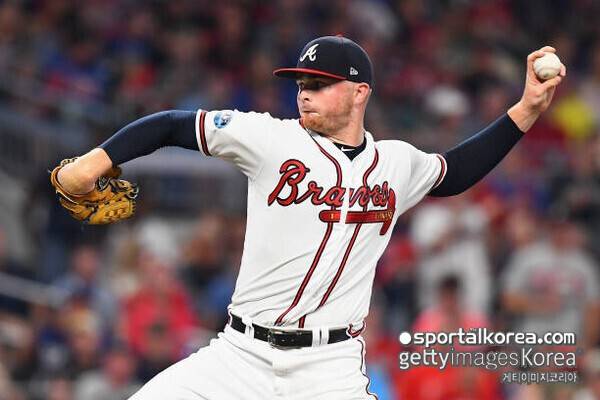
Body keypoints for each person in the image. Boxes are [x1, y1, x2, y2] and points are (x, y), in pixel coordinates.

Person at [51, 36, 565, 399]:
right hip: (239, 356)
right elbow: (171, 125)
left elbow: (454, 172)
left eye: (320, 83)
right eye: (302, 82)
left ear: (360, 92)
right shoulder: (270, 138)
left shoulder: (397, 162)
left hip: (328, 369)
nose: (305, 92)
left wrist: (525, 110)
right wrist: (93, 164)